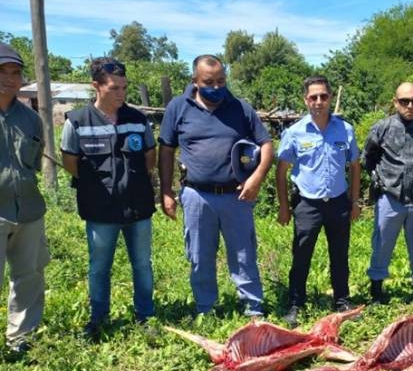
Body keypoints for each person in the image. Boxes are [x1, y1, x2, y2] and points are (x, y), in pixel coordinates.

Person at [158, 55, 274, 318]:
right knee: (199, 255)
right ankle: (205, 308)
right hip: (196, 195)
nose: (217, 86)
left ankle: (253, 308)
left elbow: (266, 144)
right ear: (195, 81)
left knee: (243, 254)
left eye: (221, 80)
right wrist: (165, 191)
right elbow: (166, 150)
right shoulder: (178, 107)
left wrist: (256, 178)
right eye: (209, 82)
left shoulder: (240, 108)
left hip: (236, 195)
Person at [60, 57, 156, 337]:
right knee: (99, 267)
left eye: (124, 87)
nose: (121, 94)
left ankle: (146, 316)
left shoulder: (138, 120)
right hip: (100, 211)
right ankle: (99, 320)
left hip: (138, 207)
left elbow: (149, 157)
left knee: (142, 265)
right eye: (114, 88)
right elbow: (70, 163)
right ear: (96, 86)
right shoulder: (77, 121)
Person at [276, 75, 361, 327]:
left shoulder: (344, 130)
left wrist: (355, 202)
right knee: (301, 254)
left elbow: (355, 166)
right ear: (305, 100)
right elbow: (281, 170)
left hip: (337, 202)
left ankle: (342, 300)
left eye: (323, 96)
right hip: (307, 204)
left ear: (330, 98)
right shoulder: (294, 132)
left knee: (340, 253)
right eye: (313, 97)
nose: (319, 101)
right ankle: (295, 302)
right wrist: (284, 206)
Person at [364, 82, 413, 309]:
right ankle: (376, 289)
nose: (410, 105)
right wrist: (380, 180)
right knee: (382, 244)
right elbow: (368, 157)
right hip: (390, 196)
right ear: (395, 102)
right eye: (404, 101)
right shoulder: (382, 128)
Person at [0, 42, 48, 359]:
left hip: (28, 209)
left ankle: (21, 340)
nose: (9, 78)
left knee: (29, 276)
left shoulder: (31, 119)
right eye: (2, 72)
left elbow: (32, 160)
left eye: (15, 72)